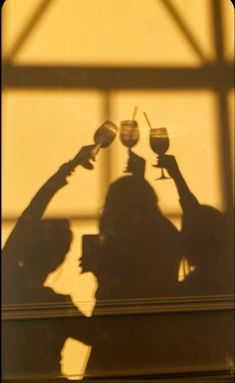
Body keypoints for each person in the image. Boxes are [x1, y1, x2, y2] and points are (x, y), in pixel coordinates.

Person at [157, 154, 234, 295]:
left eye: (184, 233)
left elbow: (194, 214)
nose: (181, 239)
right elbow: (195, 214)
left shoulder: (191, 289)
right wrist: (176, 175)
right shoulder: (226, 277)